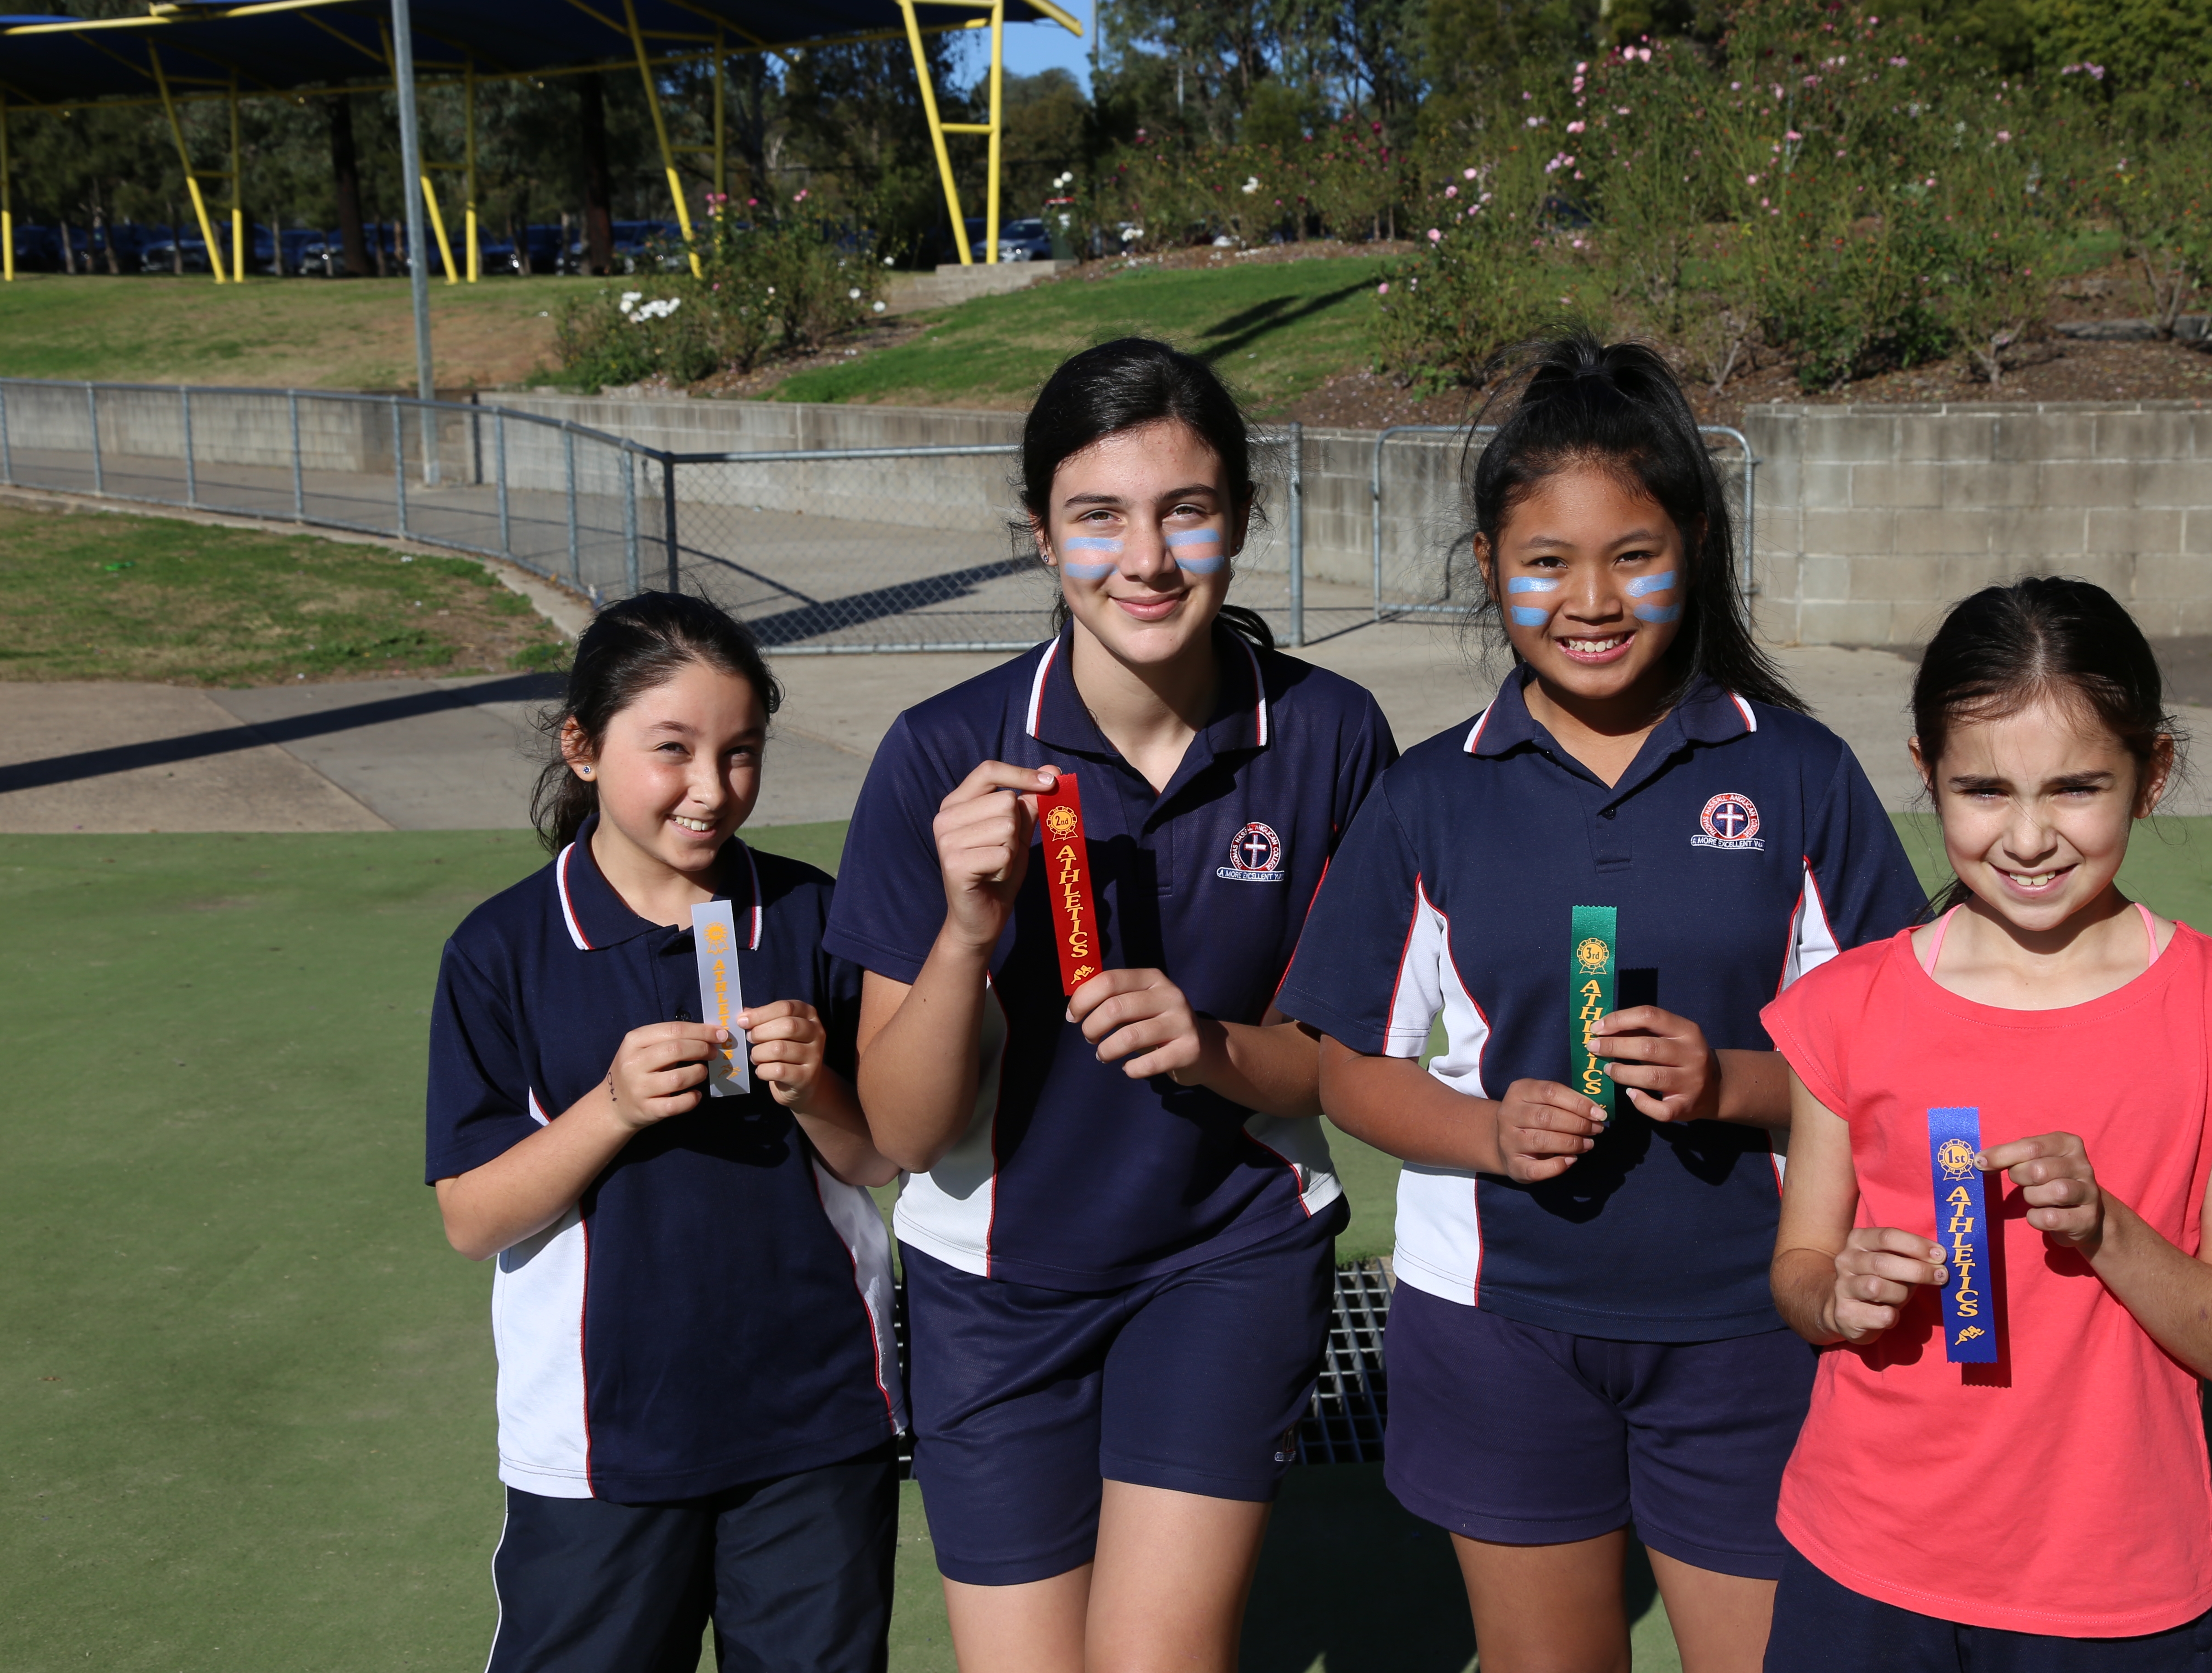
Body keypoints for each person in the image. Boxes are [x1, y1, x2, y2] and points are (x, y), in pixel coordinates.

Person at [1271, 334, 1927, 1673]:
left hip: (1758, 1319)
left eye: (1634, 554)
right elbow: (1347, 1066)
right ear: (1484, 567)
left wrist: (1731, 1083)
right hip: (1500, 1330)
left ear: (1696, 545)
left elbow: (1909, 1054)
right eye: (1548, 560)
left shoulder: (1796, 774)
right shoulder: (1429, 794)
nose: (1592, 598)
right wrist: (1487, 1132)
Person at [828, 338, 1398, 1673]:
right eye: (1098, 518)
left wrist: (1209, 1046)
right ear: (1041, 536)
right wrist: (971, 931)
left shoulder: (1329, 738)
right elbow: (906, 1134)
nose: (1145, 560)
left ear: (1242, 521)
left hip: (1226, 1256)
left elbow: (1336, 1070)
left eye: (1185, 512)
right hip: (993, 1285)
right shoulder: (937, 752)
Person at [1760, 576, 2212, 1671]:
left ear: (2150, 775)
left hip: (2114, 1585)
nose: (2027, 837)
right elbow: (1797, 1269)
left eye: (2076, 788)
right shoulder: (1844, 1006)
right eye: (1983, 790)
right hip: (1863, 1557)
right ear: (1926, 776)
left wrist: (2109, 1228)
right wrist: (1837, 1294)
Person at [426, 593, 902, 1673]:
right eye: (673, 751)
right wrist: (614, 1107)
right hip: (602, 1443)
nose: (711, 789)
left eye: (741, 754)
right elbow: (471, 1214)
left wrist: (817, 1084)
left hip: (816, 1423)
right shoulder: (502, 949)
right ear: (583, 749)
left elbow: (877, 1157)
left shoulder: (813, 914)